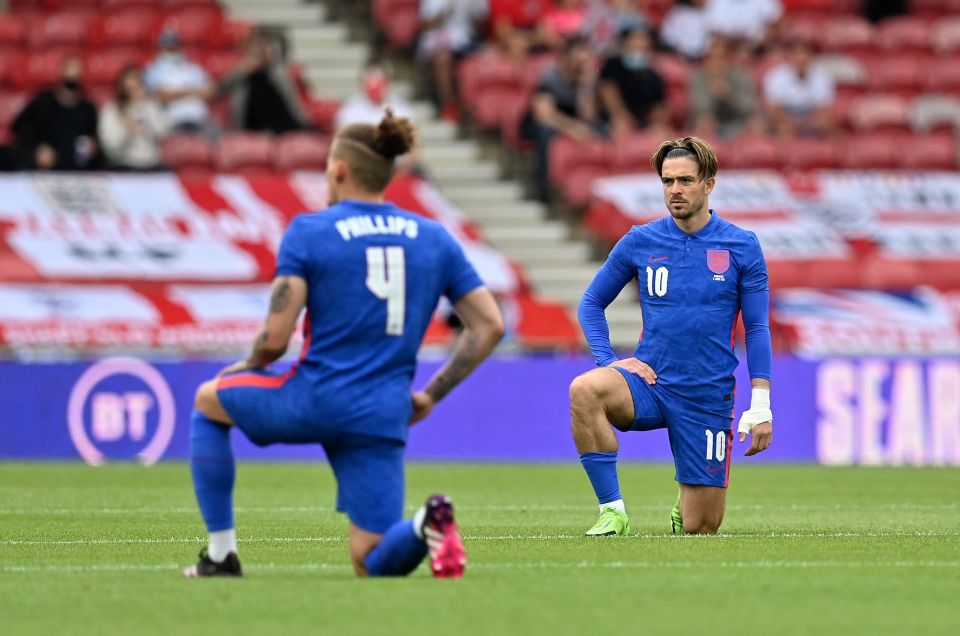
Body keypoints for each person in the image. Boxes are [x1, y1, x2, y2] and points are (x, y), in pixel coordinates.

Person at [182, 111, 505, 578]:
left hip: (315, 396)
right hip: (382, 410)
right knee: (371, 557)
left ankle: (219, 556)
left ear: (338, 170)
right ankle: (424, 524)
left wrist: (245, 366)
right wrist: (431, 396)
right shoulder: (434, 237)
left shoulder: (310, 231)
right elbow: (489, 325)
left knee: (208, 400)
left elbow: (274, 341)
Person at [570, 136, 773, 537]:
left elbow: (756, 327)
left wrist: (761, 401)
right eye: (667, 182)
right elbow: (591, 303)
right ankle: (612, 512)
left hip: (706, 395)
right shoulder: (641, 240)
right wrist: (608, 361)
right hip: (650, 382)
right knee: (584, 389)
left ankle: (687, 508)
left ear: (709, 183)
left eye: (685, 180)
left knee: (702, 528)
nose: (675, 190)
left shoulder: (741, 245)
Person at [524, 36, 600, 201]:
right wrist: (572, 128)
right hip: (543, 124)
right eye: (578, 55)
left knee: (601, 130)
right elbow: (543, 114)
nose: (582, 61)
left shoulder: (586, 79)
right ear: (566, 57)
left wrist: (586, 86)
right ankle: (543, 191)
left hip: (571, 124)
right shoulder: (550, 75)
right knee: (545, 134)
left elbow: (588, 117)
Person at [11, 56, 100, 170]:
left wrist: (93, 147)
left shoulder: (87, 109)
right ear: (61, 71)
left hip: (76, 172)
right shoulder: (43, 102)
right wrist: (37, 149)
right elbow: (19, 127)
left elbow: (94, 141)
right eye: (70, 67)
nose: (73, 73)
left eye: (77, 69)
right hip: (43, 169)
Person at [219, 29, 310, 135]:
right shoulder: (242, 73)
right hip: (252, 126)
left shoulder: (278, 72)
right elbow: (221, 87)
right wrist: (243, 70)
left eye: (265, 45)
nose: (261, 51)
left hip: (283, 124)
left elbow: (292, 103)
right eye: (257, 46)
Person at [417, 0, 489, 121]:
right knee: (442, 58)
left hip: (466, 39)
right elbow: (426, 24)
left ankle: (472, 110)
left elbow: (482, 26)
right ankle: (450, 104)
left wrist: (472, 10)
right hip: (437, 38)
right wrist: (446, 11)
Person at [598, 26, 669, 139]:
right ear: (625, 42)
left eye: (644, 40)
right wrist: (621, 117)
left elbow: (659, 105)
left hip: (642, 123)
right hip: (612, 120)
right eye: (636, 39)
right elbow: (608, 92)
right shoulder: (613, 64)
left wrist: (658, 125)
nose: (640, 44)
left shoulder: (652, 73)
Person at [144, 29, 216, 135]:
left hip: (199, 120)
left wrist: (176, 92)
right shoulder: (153, 70)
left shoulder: (193, 69)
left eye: (174, 47)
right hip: (172, 122)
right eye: (168, 48)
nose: (171, 51)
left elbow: (211, 91)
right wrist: (194, 91)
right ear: (160, 49)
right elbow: (163, 95)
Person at [98, 66, 170, 170]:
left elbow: (162, 133)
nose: (134, 84)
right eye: (130, 80)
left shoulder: (151, 105)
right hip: (123, 165)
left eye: (137, 80)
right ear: (121, 85)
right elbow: (110, 145)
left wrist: (143, 108)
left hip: (151, 164)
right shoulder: (111, 109)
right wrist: (127, 130)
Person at [762, 37, 835, 138]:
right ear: (789, 57)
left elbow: (823, 108)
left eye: (804, 54)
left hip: (810, 116)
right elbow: (775, 110)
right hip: (785, 116)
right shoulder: (776, 76)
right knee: (782, 129)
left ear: (811, 57)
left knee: (829, 123)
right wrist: (792, 123)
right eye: (796, 54)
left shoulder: (821, 76)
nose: (800, 59)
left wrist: (806, 123)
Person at [688, 37, 759, 138]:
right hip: (710, 122)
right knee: (704, 121)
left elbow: (748, 106)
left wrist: (729, 95)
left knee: (755, 122)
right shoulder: (698, 78)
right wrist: (713, 92)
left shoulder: (739, 75)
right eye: (712, 58)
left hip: (736, 122)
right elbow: (700, 107)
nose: (716, 63)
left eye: (721, 58)